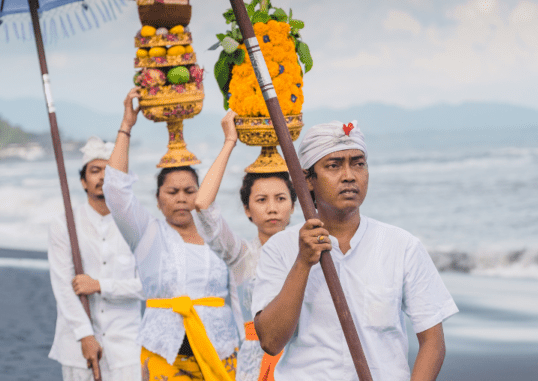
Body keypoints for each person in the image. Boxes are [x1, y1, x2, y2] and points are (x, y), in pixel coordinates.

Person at [252, 121, 459, 381]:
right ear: (307, 180)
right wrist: (303, 263)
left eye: (358, 163)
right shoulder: (280, 249)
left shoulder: (402, 246)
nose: (349, 175)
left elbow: (433, 341)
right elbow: (270, 341)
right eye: (334, 165)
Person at [103, 88, 239, 381]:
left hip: (222, 353)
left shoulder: (221, 238)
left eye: (190, 191)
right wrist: (126, 126)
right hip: (163, 353)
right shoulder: (147, 235)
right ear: (158, 199)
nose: (181, 198)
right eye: (172, 192)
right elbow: (115, 191)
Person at [193, 110, 297, 381]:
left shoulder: (308, 253)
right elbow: (202, 205)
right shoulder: (241, 255)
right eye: (261, 200)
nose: (272, 208)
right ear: (247, 209)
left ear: (294, 205)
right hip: (255, 362)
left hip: (303, 356)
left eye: (281, 198)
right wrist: (229, 142)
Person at [48, 137, 144, 381]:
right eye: (95, 170)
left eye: (109, 171)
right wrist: (84, 335)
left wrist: (100, 285)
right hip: (77, 346)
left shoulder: (138, 225)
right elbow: (63, 285)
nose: (102, 176)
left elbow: (149, 286)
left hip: (127, 347)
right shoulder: (64, 225)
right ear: (83, 181)